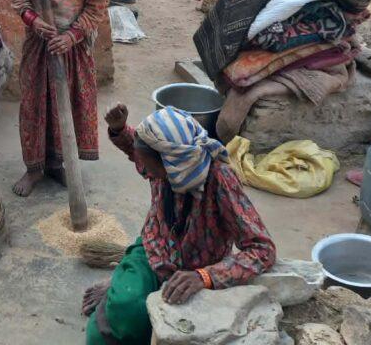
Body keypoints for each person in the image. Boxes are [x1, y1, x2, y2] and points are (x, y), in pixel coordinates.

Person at [83, 105, 276, 345]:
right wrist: (119, 129)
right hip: (153, 250)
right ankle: (121, 286)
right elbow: (137, 150)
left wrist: (205, 277)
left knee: (159, 325)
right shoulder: (169, 163)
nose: (146, 171)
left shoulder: (220, 179)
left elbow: (263, 249)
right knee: (123, 311)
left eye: (150, 166)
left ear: (171, 164)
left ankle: (120, 284)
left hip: (195, 269)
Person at [9, 0, 107, 197]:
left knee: (69, 108)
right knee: (35, 105)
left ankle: (57, 164)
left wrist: (72, 36)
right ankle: (34, 169)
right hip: (41, 41)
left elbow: (97, 4)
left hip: (73, 43)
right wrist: (34, 20)